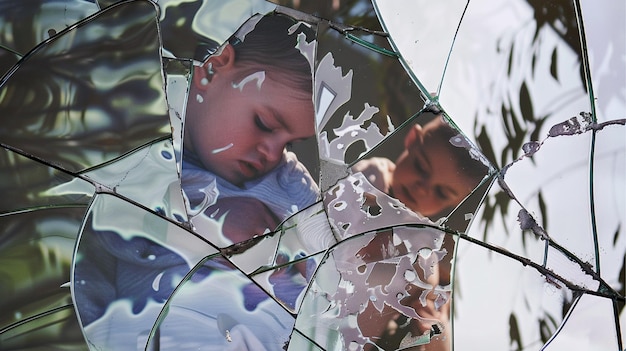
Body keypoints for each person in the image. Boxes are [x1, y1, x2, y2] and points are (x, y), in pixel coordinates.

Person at [181, 13, 319, 245]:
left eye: (289, 144)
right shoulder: (141, 157)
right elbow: (117, 233)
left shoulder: (290, 182)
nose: (275, 154)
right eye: (264, 124)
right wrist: (208, 226)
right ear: (210, 71)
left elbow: (335, 253)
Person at [351, 115, 488, 219]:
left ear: (458, 202)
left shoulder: (420, 235)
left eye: (441, 193)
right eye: (421, 167)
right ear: (412, 139)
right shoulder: (369, 177)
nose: (422, 189)